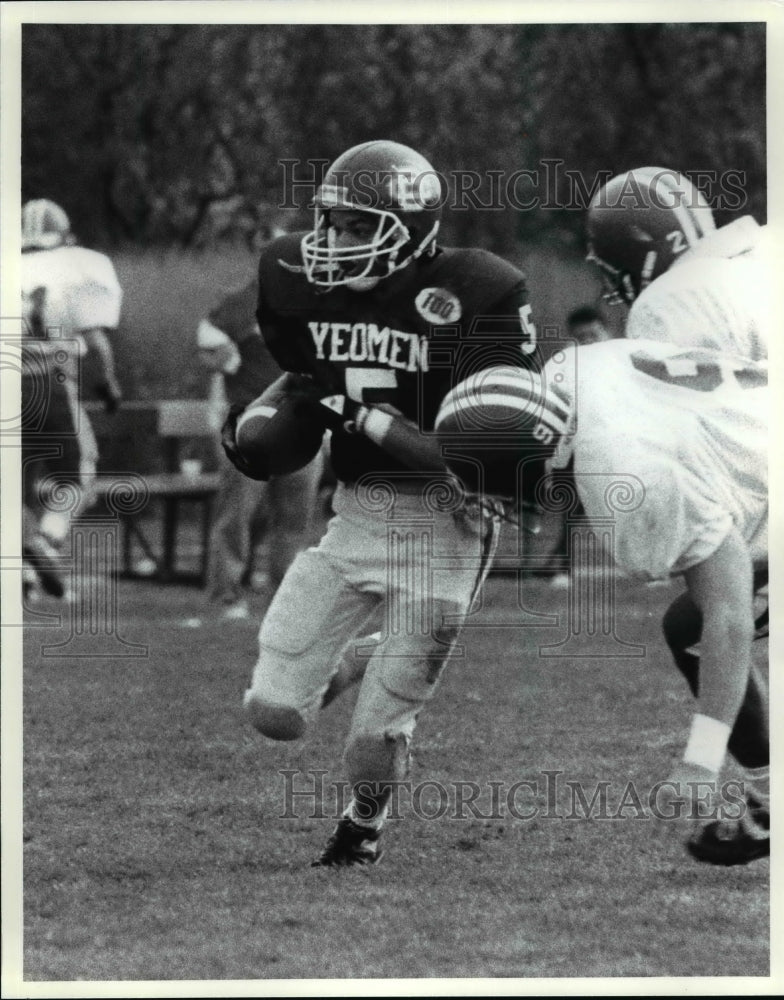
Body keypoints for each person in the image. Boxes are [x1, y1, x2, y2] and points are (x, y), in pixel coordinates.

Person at [222, 139, 543, 867]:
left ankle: (363, 824)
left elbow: (488, 436)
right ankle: (365, 654)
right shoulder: (299, 282)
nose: (335, 242)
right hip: (357, 512)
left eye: (358, 227)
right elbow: (305, 383)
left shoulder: (480, 291)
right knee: (273, 712)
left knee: (375, 738)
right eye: (331, 223)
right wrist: (263, 420)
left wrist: (375, 422)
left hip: (449, 518)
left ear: (413, 230)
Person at [436, 337, 769, 866]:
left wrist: (702, 761)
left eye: (500, 489)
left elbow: (728, 617)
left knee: (701, 626)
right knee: (687, 627)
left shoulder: (628, 478)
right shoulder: (569, 371)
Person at [197, 277, 325, 620]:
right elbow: (209, 348)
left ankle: (282, 601)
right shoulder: (243, 300)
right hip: (251, 423)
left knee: (293, 520)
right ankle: (226, 596)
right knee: (237, 516)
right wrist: (223, 359)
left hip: (302, 424)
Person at [20, 199, 123, 599]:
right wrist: (109, 384)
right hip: (50, 381)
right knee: (78, 476)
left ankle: (23, 574)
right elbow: (96, 341)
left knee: (16, 486)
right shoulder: (76, 267)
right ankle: (47, 540)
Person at [585, 166, 770, 361]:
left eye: (615, 273)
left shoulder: (662, 305)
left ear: (641, 256)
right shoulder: (762, 251)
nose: (612, 286)